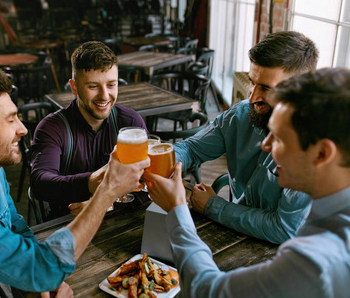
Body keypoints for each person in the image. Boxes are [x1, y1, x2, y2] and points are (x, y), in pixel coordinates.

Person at [0, 67, 150, 297]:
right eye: (10, 119)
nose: (22, 129)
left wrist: (38, 284)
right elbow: (43, 268)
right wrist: (106, 191)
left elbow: (16, 229)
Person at [144, 67, 350, 297]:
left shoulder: (317, 260)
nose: (265, 145)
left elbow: (207, 291)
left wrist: (177, 209)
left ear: (322, 153)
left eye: (280, 138)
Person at [175, 31, 319, 244]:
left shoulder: (315, 146)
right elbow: (192, 149)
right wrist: (162, 159)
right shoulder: (240, 115)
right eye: (252, 81)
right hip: (233, 235)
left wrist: (213, 206)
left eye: (266, 88)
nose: (252, 97)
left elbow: (284, 229)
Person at [30, 41, 147, 219]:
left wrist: (105, 203)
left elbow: (145, 182)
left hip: (122, 222)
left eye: (111, 85)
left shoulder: (130, 122)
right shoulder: (52, 127)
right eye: (93, 86)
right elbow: (40, 183)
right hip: (68, 225)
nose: (104, 96)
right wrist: (90, 183)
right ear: (74, 87)